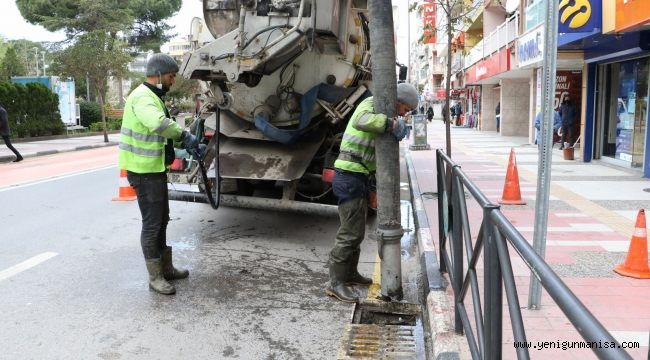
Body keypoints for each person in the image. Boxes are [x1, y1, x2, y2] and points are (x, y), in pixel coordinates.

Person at [325, 83, 417, 303]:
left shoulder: (383, 109)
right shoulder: (372, 103)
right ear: (399, 101)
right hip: (349, 175)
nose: (405, 114)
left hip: (358, 176)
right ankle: (334, 283)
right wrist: (389, 124)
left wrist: (374, 187)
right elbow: (361, 120)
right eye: (405, 109)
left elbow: (372, 154)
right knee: (350, 233)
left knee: (355, 232)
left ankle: (349, 274)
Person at [118, 53, 200, 295]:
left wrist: (184, 146)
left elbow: (158, 135)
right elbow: (158, 124)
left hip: (153, 169)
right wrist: (184, 135)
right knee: (152, 224)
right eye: (171, 76)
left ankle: (166, 268)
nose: (173, 81)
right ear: (159, 75)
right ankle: (155, 277)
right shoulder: (143, 97)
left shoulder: (152, 96)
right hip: (143, 172)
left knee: (162, 220)